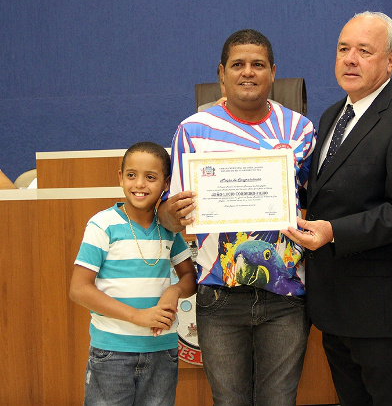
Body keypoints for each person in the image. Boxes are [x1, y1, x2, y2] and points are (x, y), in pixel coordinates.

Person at [283, 12, 392, 406]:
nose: (350, 59)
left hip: (382, 310)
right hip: (333, 307)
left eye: (364, 51)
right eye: (343, 49)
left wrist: (334, 231)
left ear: (391, 61)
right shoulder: (332, 115)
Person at [158, 29, 316, 406]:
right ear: (221, 73)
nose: (248, 72)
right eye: (238, 65)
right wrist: (172, 213)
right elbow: (167, 216)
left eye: (258, 64)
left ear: (273, 72)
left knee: (279, 400)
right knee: (229, 402)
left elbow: (321, 200)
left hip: (286, 294)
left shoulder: (301, 130)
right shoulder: (192, 131)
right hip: (218, 295)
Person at [69, 141, 197, 406]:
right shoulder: (102, 225)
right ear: (120, 177)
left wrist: (173, 290)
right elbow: (79, 289)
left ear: (166, 184)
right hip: (112, 354)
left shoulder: (169, 230)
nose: (139, 184)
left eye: (150, 177)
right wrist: (137, 316)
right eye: (131, 175)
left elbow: (189, 278)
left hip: (162, 353)